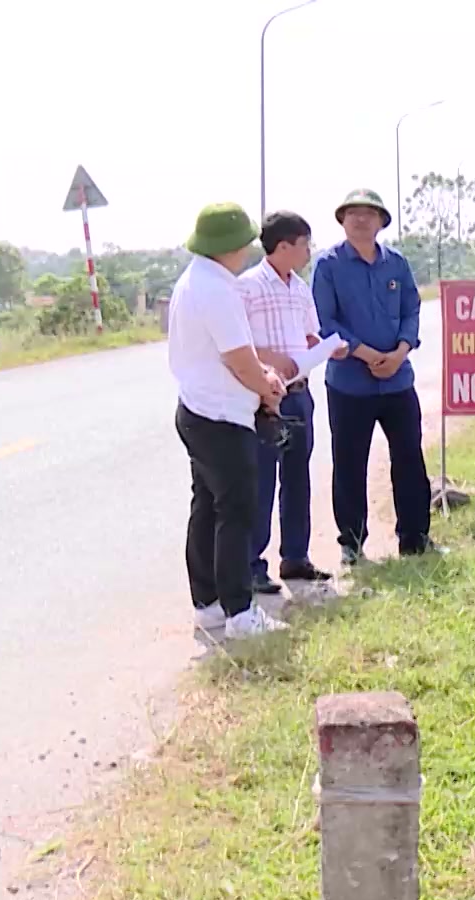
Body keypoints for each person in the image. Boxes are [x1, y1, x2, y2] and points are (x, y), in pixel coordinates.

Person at [168, 202, 289, 639]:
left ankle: (209, 603)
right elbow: (239, 358)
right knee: (236, 512)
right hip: (221, 416)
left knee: (207, 508)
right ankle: (240, 612)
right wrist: (269, 386)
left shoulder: (194, 280)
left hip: (197, 409)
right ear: (231, 246)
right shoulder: (217, 289)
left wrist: (258, 377)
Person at [310, 188, 434, 563]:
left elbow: (412, 308)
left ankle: (415, 539)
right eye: (352, 213)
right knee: (349, 462)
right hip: (349, 382)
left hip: (398, 380)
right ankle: (351, 543)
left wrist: (400, 351)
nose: (361, 219)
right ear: (342, 220)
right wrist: (364, 353)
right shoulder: (328, 265)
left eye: (369, 213)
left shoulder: (396, 263)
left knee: (409, 458)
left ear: (382, 222)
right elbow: (323, 321)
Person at [239, 210, 338, 593]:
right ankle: (251, 564)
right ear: (284, 246)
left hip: (300, 394)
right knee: (261, 480)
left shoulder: (300, 288)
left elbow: (310, 335)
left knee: (297, 479)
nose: (308, 252)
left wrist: (327, 348)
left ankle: (295, 557)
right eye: (304, 244)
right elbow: (238, 345)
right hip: (264, 400)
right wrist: (272, 362)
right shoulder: (247, 287)